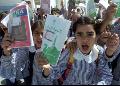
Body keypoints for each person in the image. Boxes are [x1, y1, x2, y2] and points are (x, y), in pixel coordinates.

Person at [32, 16, 112, 85]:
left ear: (96, 36)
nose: (84, 39)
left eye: (90, 34)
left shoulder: (99, 52)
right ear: (75, 36)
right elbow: (55, 73)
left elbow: (107, 76)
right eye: (80, 34)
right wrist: (47, 69)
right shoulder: (69, 51)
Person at [0, 20, 44, 85]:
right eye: (36, 33)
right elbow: (12, 68)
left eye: (42, 33)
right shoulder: (26, 48)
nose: (40, 37)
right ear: (31, 34)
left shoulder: (49, 50)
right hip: (26, 77)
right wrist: (7, 53)